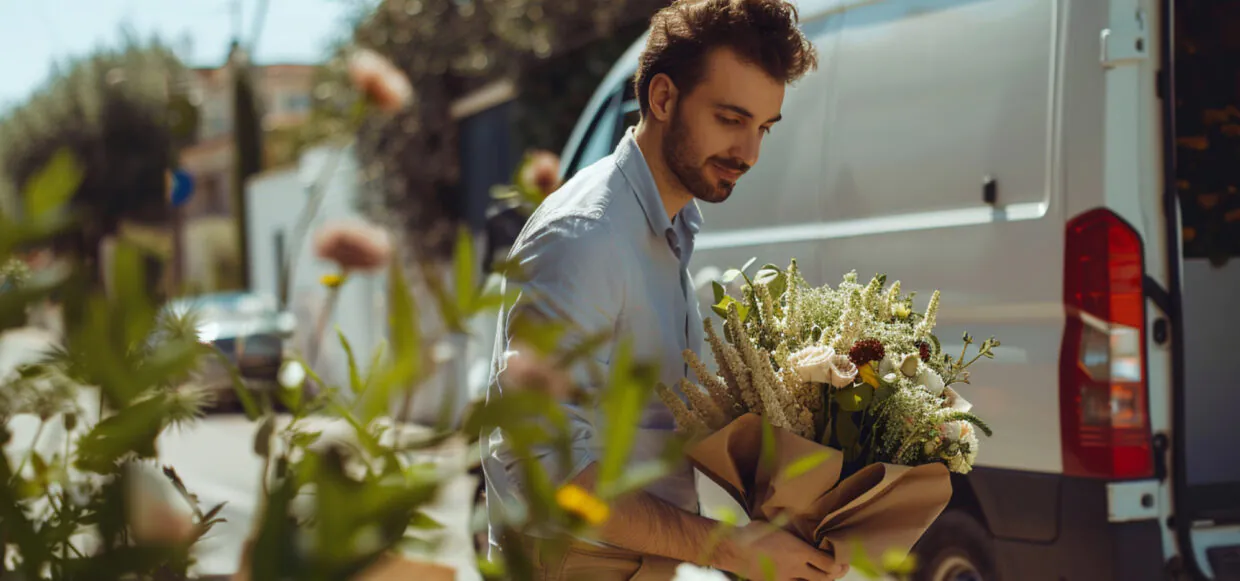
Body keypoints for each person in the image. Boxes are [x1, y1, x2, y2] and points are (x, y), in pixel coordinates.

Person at [481, 0, 848, 579]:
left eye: (763, 128)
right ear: (662, 98)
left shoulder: (668, 225)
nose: (749, 154)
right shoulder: (588, 237)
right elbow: (546, 467)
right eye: (731, 119)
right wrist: (729, 548)